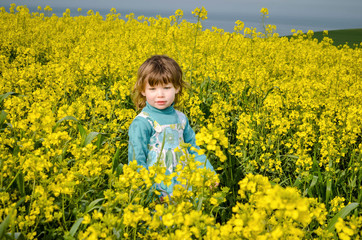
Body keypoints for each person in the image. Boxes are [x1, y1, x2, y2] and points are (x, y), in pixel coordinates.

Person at [128, 55, 215, 200]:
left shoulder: (181, 118)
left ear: (177, 88)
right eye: (153, 89)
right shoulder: (142, 123)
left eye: (167, 88)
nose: (160, 95)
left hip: (184, 184)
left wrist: (208, 173)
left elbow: (193, 147)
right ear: (142, 90)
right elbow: (137, 161)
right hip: (156, 189)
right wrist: (147, 192)